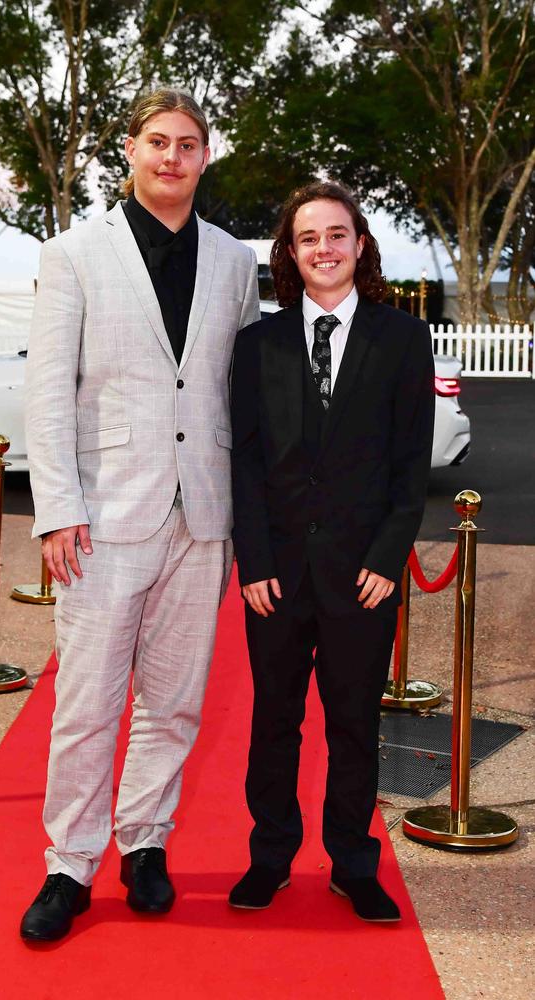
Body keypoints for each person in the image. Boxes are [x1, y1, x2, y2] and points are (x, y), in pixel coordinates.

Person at [20, 88, 259, 942]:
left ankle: (145, 844)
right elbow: (47, 391)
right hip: (102, 512)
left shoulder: (235, 260)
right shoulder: (74, 252)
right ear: (129, 149)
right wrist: (55, 511)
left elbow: (237, 385)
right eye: (156, 141)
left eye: (187, 144)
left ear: (204, 156)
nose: (171, 156)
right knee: (88, 702)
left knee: (176, 701)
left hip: (204, 511)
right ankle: (69, 863)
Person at [229, 181, 434, 922]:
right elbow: (245, 464)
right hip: (276, 578)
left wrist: (386, 556)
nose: (324, 248)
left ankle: (353, 864)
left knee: (353, 723)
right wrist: (251, 562)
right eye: (308, 237)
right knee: (273, 720)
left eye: (337, 234)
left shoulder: (403, 339)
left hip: (364, 576)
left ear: (360, 245)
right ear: (289, 251)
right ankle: (270, 857)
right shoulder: (257, 346)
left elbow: (413, 466)